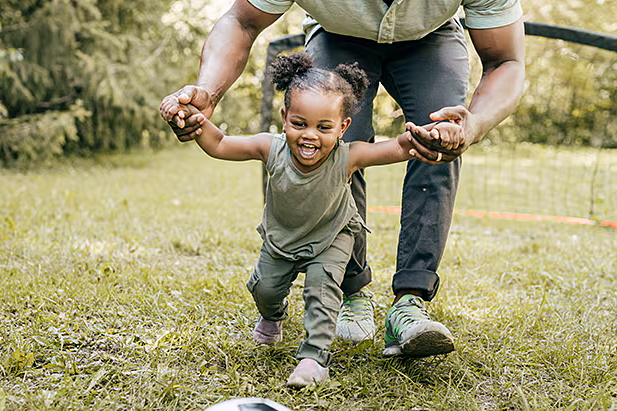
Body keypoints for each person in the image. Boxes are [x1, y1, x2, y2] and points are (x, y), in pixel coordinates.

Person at [160, 0, 525, 357]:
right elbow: (242, 20)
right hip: (337, 33)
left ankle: (410, 302)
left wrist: (474, 123)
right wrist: (208, 90)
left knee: (440, 138)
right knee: (332, 146)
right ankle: (352, 290)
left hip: (430, 38)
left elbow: (506, 60)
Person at [161, 52, 459, 386]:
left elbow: (397, 148)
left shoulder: (349, 156)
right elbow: (219, 143)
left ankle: (313, 360)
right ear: (285, 116)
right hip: (282, 238)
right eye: (300, 124)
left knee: (323, 293)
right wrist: (195, 121)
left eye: (324, 127)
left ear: (343, 127)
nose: (309, 136)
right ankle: (273, 316)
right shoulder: (268, 147)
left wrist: (425, 136)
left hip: (331, 238)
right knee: (265, 289)